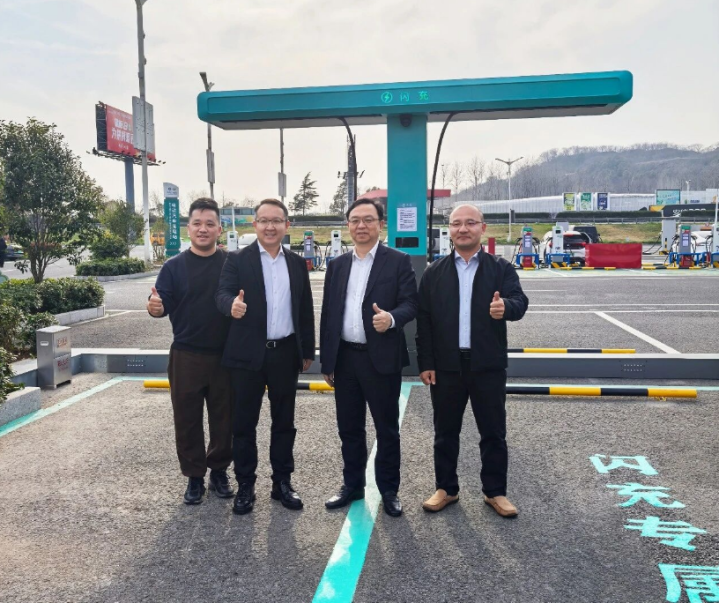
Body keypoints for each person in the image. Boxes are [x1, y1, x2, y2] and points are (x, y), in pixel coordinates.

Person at [416, 204, 528, 516]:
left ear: (482, 228)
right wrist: (426, 362)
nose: (462, 229)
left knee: (493, 433)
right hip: (446, 366)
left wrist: (506, 307)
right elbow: (424, 320)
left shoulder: (500, 268)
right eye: (456, 224)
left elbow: (520, 302)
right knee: (445, 432)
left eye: (470, 223)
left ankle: (495, 492)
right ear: (449, 230)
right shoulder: (434, 273)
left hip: (487, 365)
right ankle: (446, 489)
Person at [215, 199, 315, 516]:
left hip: (285, 353)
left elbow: (305, 309)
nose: (270, 226)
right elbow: (222, 294)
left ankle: (282, 482)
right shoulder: (236, 260)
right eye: (263, 220)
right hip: (246, 355)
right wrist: (231, 305)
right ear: (255, 224)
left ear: (287, 225)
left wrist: (308, 350)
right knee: (243, 424)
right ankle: (245, 484)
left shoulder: (296, 263)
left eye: (276, 220)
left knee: (284, 422)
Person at [320, 198, 418, 517]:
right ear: (348, 225)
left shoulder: (398, 261)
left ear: (380, 224)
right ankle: (352, 485)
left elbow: (411, 303)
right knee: (349, 428)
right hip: (345, 358)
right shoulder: (337, 265)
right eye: (355, 220)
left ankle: (388, 490)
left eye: (368, 219)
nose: (361, 225)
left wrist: (391, 318)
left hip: (381, 358)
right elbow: (328, 314)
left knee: (386, 429)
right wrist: (328, 361)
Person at [147, 197, 234, 505]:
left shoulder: (231, 264)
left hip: (226, 356)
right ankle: (194, 476)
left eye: (210, 223)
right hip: (186, 355)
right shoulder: (173, 267)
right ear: (189, 228)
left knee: (225, 419)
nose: (203, 229)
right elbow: (161, 303)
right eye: (197, 223)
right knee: (187, 420)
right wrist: (155, 307)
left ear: (219, 229)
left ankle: (219, 472)